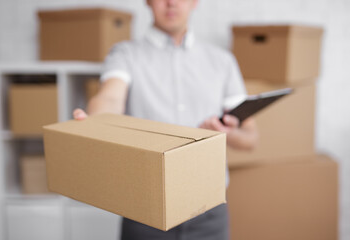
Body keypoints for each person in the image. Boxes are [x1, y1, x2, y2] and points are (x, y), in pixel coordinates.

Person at [73, 0, 258, 239]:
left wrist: (226, 132)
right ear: (148, 2)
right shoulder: (125, 54)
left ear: (194, 2)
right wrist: (95, 122)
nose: (171, 3)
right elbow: (109, 98)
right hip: (144, 207)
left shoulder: (222, 61)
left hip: (209, 211)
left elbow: (251, 138)